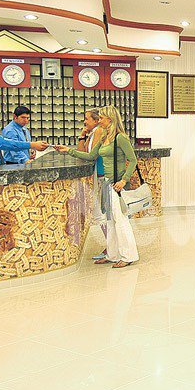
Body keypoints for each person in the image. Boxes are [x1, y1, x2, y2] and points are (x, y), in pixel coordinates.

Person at [57, 105, 138, 268]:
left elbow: (133, 160)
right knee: (110, 221)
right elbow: (91, 156)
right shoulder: (104, 138)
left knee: (120, 220)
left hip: (117, 185)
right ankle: (113, 255)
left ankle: (129, 255)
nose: (99, 120)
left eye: (101, 118)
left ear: (110, 119)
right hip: (107, 183)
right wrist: (68, 151)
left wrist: (124, 180)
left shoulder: (121, 138)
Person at [78, 109, 109, 262]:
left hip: (102, 177)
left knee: (102, 214)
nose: (85, 122)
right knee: (101, 214)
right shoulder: (92, 133)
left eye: (87, 119)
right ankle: (111, 246)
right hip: (97, 177)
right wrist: (82, 136)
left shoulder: (99, 131)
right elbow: (82, 152)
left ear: (96, 120)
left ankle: (111, 247)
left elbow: (91, 156)